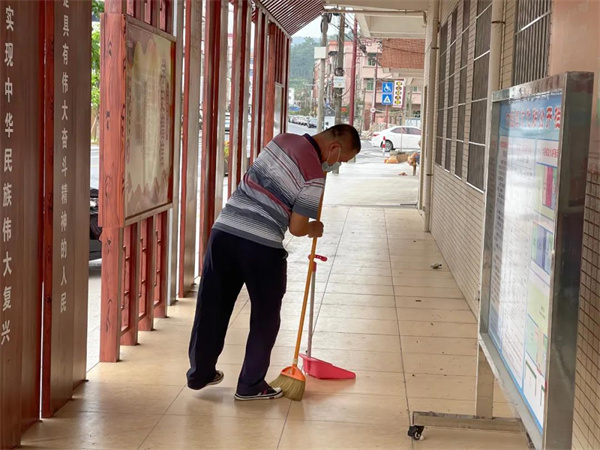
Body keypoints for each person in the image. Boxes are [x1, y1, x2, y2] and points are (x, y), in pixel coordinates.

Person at [187, 124, 361, 401]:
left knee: (212, 305)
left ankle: (200, 373)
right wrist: (314, 227)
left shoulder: (280, 140)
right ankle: (250, 385)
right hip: (262, 246)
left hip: (224, 232)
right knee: (265, 317)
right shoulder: (315, 176)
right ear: (334, 148)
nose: (335, 165)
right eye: (340, 160)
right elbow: (297, 227)